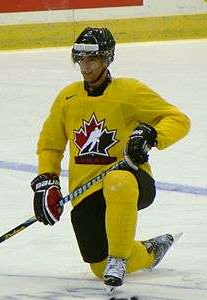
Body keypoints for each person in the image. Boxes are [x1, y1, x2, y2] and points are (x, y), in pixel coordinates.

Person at [31, 27, 190, 289]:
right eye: (81, 59)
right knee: (98, 266)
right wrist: (47, 180)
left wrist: (151, 134)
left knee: (117, 180)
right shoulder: (68, 98)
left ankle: (119, 257)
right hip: (86, 193)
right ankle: (149, 251)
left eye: (92, 59)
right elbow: (50, 146)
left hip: (132, 180)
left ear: (107, 58)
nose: (86, 66)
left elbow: (178, 119)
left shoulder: (129, 91)